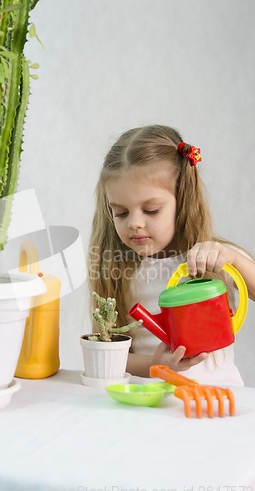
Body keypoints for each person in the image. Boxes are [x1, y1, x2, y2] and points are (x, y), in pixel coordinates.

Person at [89, 124, 255, 386]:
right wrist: (156, 364)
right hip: (153, 407)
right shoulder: (116, 269)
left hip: (220, 403)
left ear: (183, 201)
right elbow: (104, 351)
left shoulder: (215, 257)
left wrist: (232, 259)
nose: (135, 223)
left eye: (151, 210)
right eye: (121, 212)